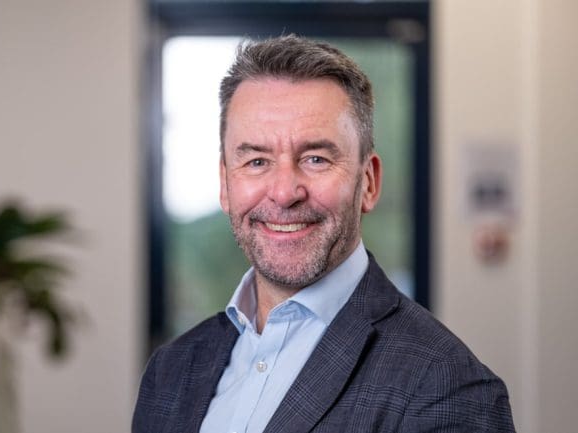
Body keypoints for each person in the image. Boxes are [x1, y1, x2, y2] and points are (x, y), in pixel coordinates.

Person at [133, 35, 515, 433]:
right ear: (225, 184)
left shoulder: (449, 388)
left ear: (368, 183)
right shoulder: (170, 371)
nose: (284, 192)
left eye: (316, 159)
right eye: (257, 161)